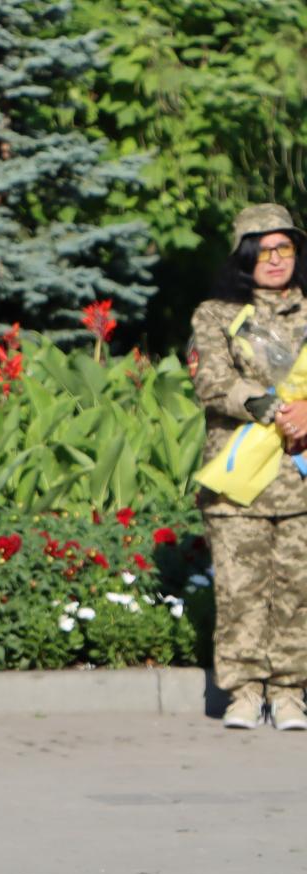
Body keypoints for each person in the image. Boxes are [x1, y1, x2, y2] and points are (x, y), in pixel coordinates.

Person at [190, 202, 307, 729]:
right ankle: (242, 692)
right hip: (240, 481)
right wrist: (273, 409)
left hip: (301, 481)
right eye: (264, 249)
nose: (276, 258)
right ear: (244, 256)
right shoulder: (215, 313)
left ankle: (289, 693)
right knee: (240, 591)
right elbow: (210, 380)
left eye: (285, 247)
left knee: (298, 592)